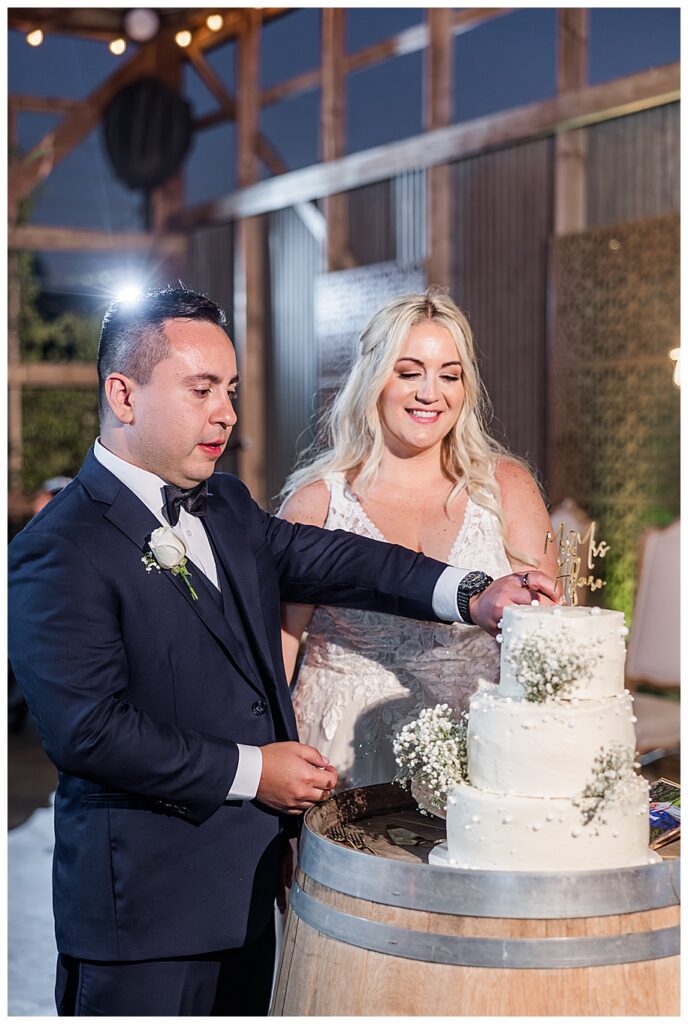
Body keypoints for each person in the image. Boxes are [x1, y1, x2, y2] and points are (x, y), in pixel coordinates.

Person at [9, 286, 559, 1017]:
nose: (227, 413)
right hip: (143, 918)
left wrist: (473, 593)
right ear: (124, 394)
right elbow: (89, 731)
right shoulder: (57, 548)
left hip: (244, 901)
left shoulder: (227, 504)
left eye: (230, 390)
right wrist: (253, 769)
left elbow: (350, 561)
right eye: (202, 389)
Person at [279, 289, 559, 791]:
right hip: (340, 762)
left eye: (449, 375)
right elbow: (276, 651)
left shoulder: (507, 489)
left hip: (477, 763)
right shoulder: (317, 503)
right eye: (409, 372)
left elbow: (548, 642)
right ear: (373, 378)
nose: (431, 393)